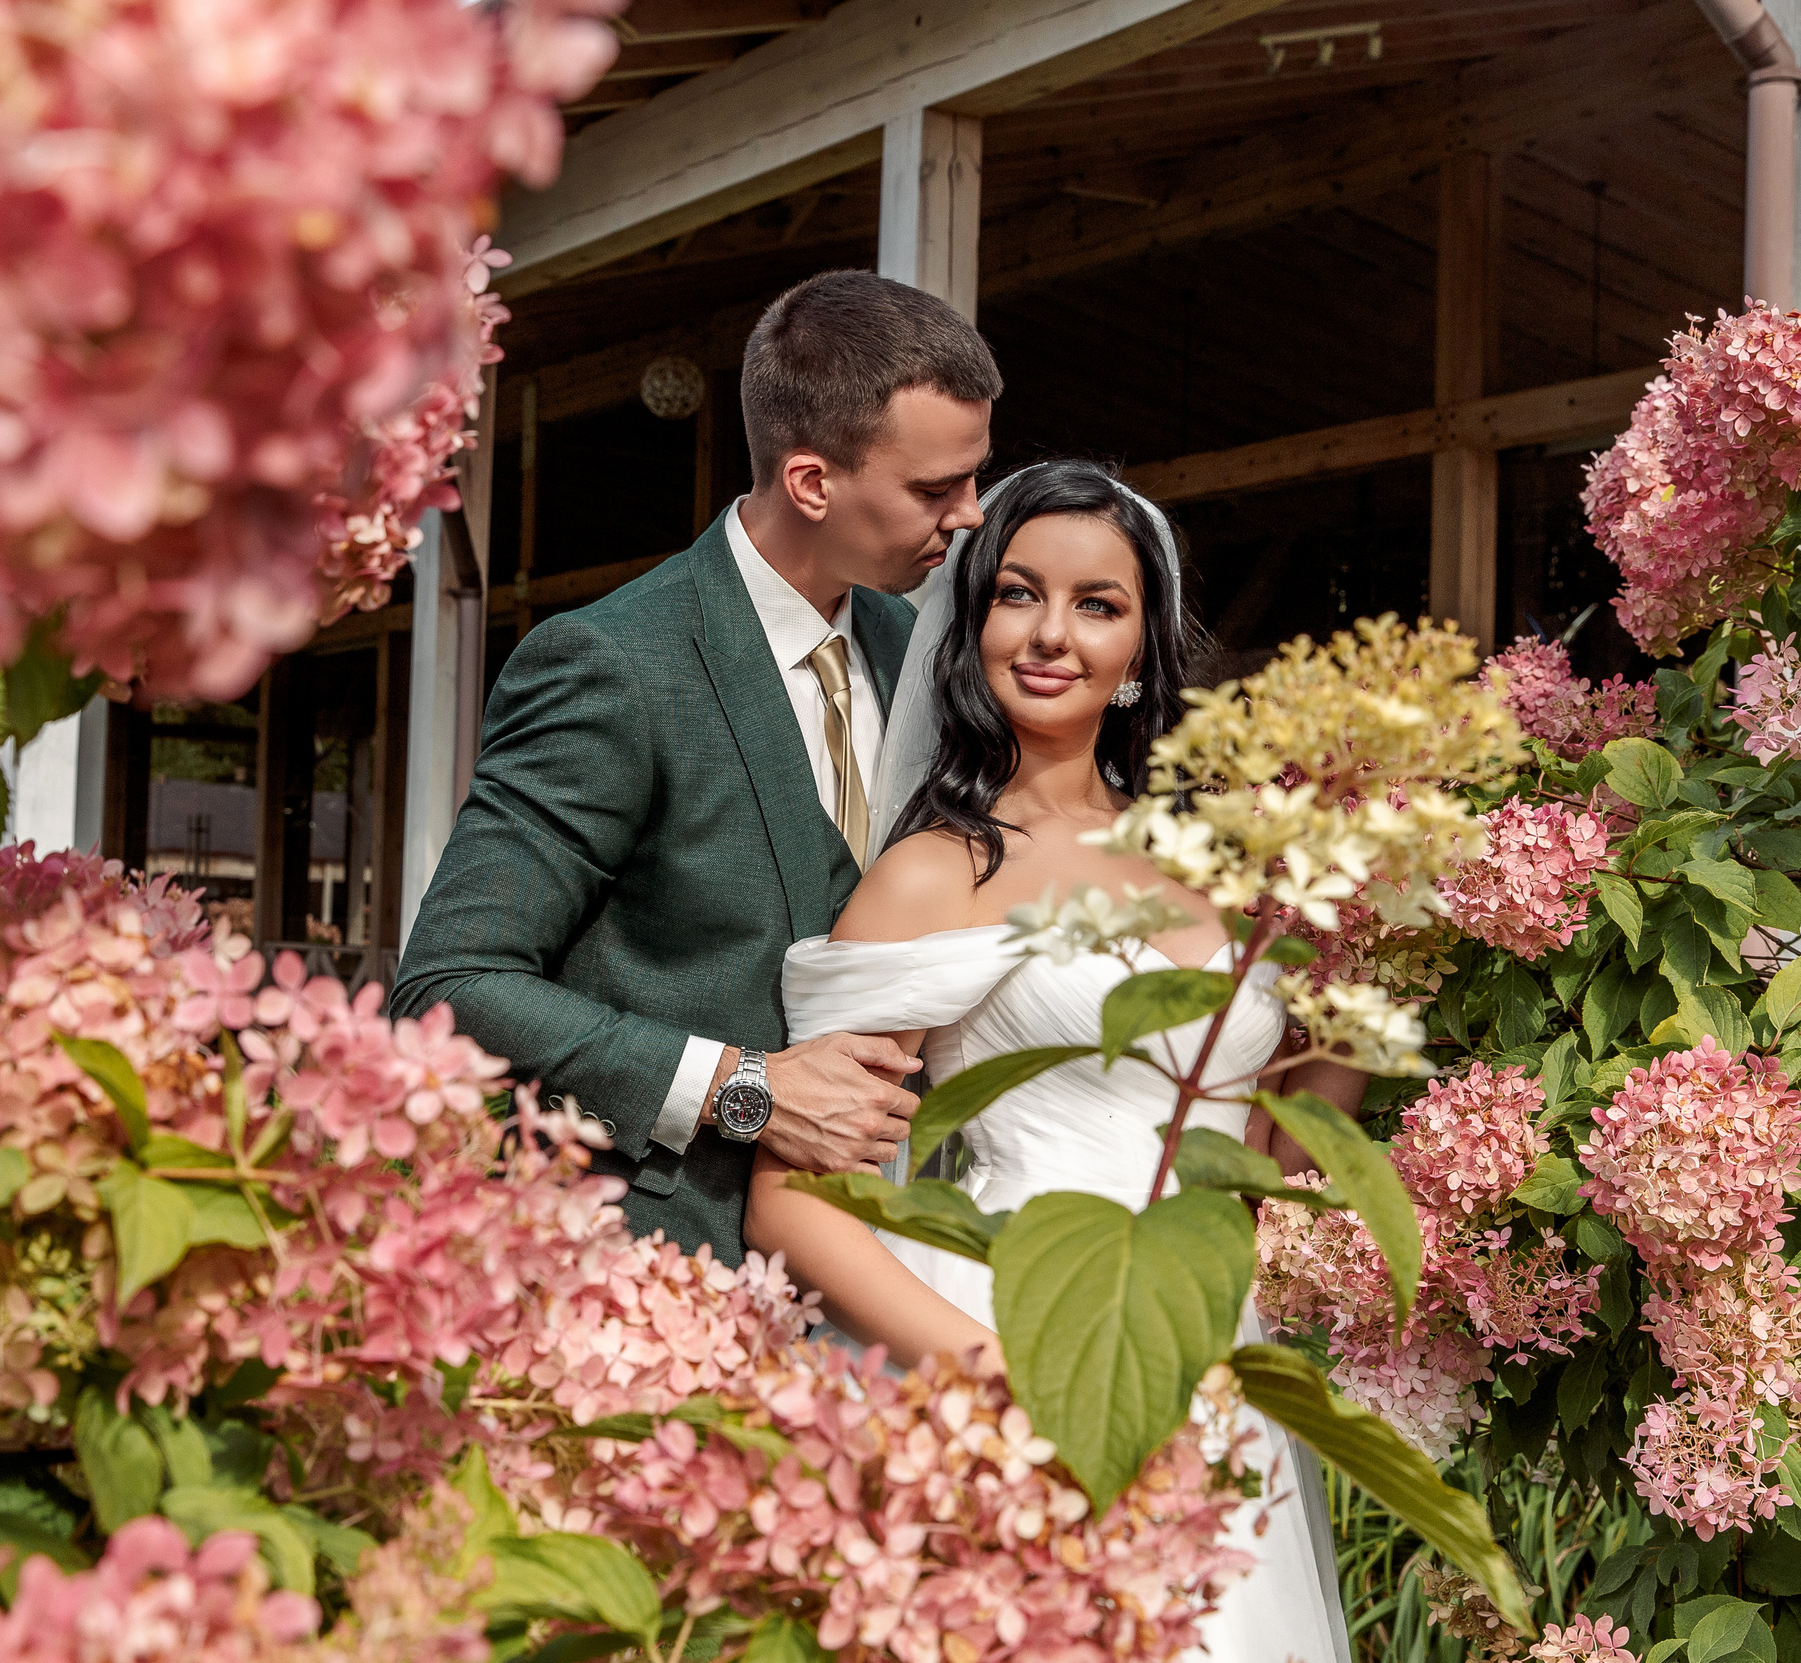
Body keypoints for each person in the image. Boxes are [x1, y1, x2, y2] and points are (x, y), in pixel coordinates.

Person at [750, 458, 1355, 1663]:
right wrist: (1011, 1379)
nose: (1051, 634)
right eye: (1018, 594)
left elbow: (1273, 1147)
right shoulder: (935, 873)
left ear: (1141, 649)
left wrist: (1365, 973)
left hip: (1209, 1352)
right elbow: (797, 1197)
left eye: (1097, 604)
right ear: (971, 624)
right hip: (1014, 1343)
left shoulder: (1227, 870)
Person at [388, 270, 1001, 1262]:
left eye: (973, 477)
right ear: (811, 481)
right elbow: (451, 984)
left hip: (899, 1266)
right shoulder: (614, 664)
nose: (970, 515)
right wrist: (743, 1092)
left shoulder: (923, 649)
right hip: (665, 1266)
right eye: (935, 489)